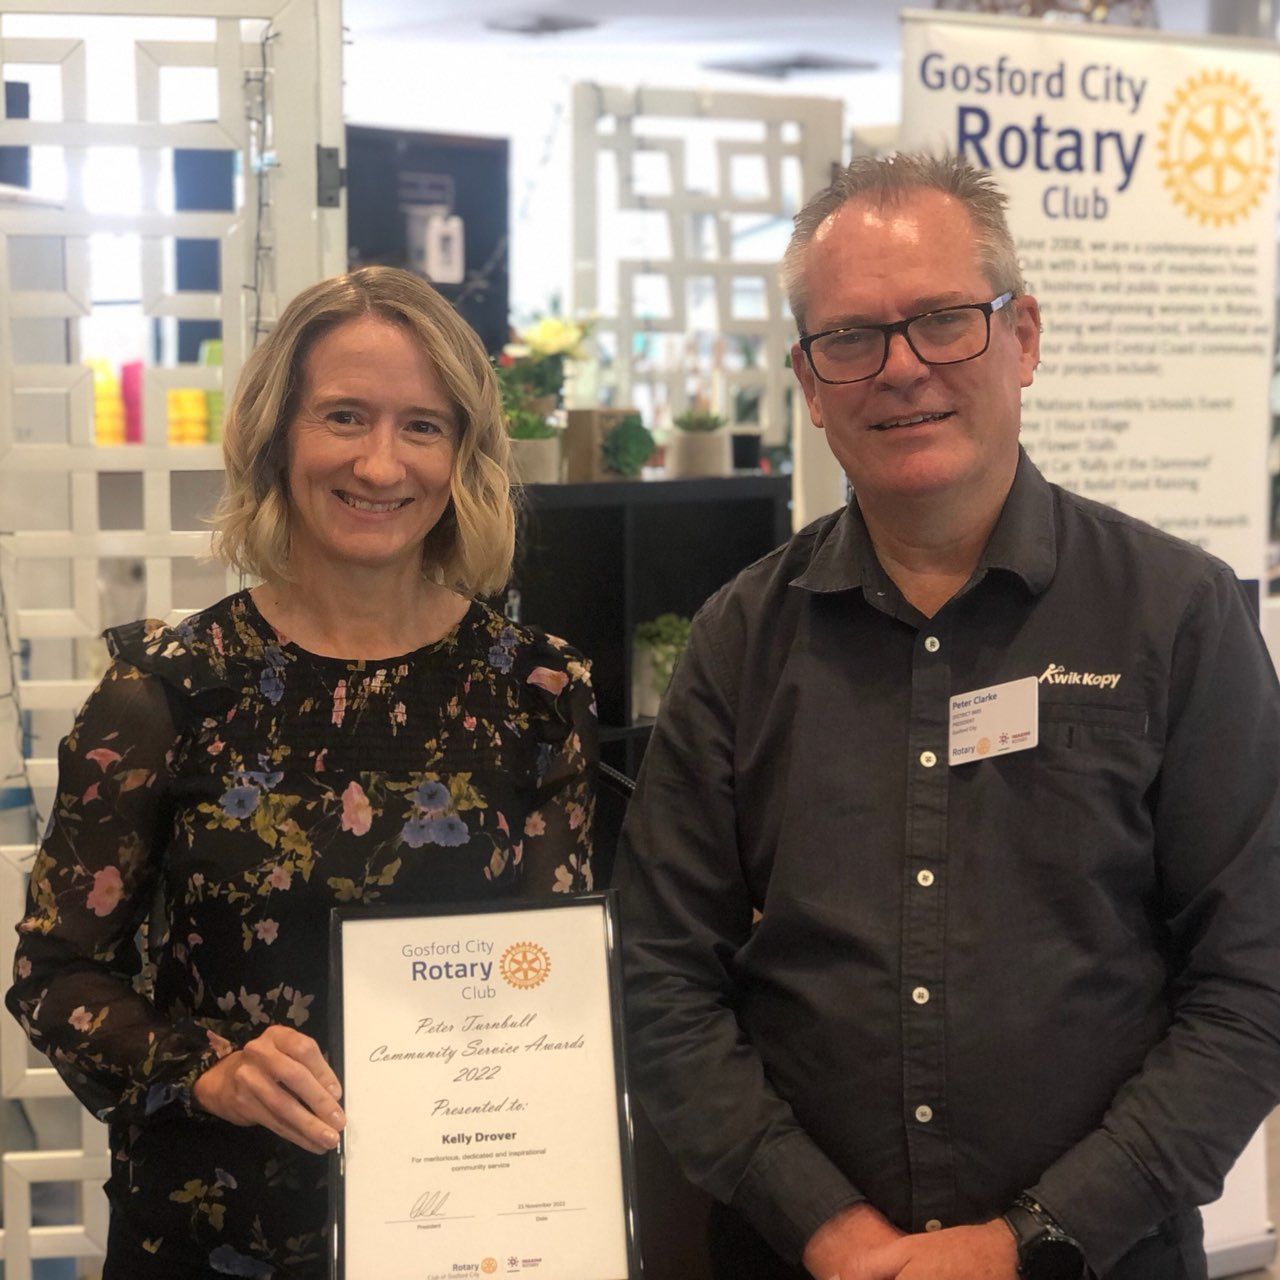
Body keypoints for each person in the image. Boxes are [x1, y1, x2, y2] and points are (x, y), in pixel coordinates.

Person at [614, 152, 1280, 1280]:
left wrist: (1031, 1239)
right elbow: (662, 975)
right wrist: (828, 1228)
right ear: (809, 382)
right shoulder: (740, 637)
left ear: (1020, 335)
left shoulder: (1178, 616)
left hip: (1101, 1258)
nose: (901, 367)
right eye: (850, 337)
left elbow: (1252, 977)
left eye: (940, 320)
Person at [7, 266, 597, 1278]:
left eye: (422, 424)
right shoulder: (165, 690)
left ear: (463, 452)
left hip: (468, 1232)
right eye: (343, 415)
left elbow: (546, 975)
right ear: (276, 435)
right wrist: (207, 1068)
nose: (380, 462)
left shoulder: (537, 690)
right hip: (213, 1232)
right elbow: (54, 974)